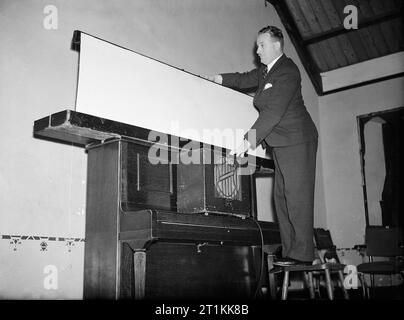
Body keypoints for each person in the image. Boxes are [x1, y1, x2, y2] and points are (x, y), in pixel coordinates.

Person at [207, 26, 318, 265]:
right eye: (257, 45)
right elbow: (245, 78)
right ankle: (292, 252)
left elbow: (274, 112)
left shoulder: (288, 71)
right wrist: (219, 78)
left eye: (262, 45)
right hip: (281, 143)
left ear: (277, 45)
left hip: (298, 140)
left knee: (297, 197)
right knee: (281, 198)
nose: (257, 50)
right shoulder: (266, 72)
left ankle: (303, 255)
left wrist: (248, 140)